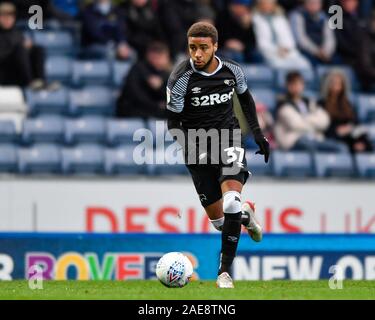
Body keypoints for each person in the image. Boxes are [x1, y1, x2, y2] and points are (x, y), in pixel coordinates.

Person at [166, 22, 269, 288]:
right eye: (192, 48)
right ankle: (247, 216)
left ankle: (223, 272)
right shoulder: (180, 79)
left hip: (228, 141)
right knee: (222, 222)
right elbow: (173, 123)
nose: (197, 54)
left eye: (202, 48)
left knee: (231, 201)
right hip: (197, 148)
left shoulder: (233, 70)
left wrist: (257, 134)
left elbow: (246, 99)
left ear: (215, 47)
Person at [274, 71, 347, 152]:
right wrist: (314, 123)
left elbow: (325, 120)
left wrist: (304, 119)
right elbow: (296, 125)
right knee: (311, 148)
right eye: (293, 84)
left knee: (341, 147)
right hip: (295, 141)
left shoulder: (309, 102)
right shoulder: (283, 104)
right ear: (288, 86)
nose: (297, 87)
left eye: (299, 84)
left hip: (314, 139)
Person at [319, 70, 373, 153]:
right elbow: (322, 125)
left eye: (339, 84)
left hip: (350, 134)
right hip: (333, 135)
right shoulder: (322, 104)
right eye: (333, 83)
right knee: (344, 147)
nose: (336, 87)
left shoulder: (347, 104)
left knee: (366, 143)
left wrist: (352, 131)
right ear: (328, 85)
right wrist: (337, 131)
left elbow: (355, 122)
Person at [116, 42, 171, 118]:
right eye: (156, 57)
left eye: (162, 57)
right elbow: (134, 94)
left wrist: (160, 87)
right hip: (134, 110)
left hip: (155, 111)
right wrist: (156, 105)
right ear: (149, 55)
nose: (158, 60)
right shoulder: (138, 69)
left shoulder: (166, 74)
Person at [0, 2, 47, 89]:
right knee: (20, 49)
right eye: (4, 16)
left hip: (18, 71)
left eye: (10, 16)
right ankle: (30, 83)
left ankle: (41, 81)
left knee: (37, 49)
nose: (7, 19)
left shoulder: (17, 33)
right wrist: (19, 48)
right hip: (5, 74)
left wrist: (28, 48)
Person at [252, 0, 311, 69]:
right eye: (265, 4)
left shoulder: (281, 19)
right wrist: (277, 50)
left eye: (270, 4)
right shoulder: (255, 19)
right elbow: (261, 43)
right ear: (259, 5)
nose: (267, 6)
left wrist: (286, 49)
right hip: (269, 53)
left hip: (287, 52)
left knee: (305, 64)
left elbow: (289, 39)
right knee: (279, 66)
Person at [289, 0, 337, 66]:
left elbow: (330, 38)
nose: (314, 6)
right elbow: (300, 39)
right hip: (306, 52)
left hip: (325, 53)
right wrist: (316, 51)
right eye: (311, 3)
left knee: (338, 64)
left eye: (317, 3)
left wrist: (326, 51)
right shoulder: (297, 15)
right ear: (305, 3)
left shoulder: (324, 17)